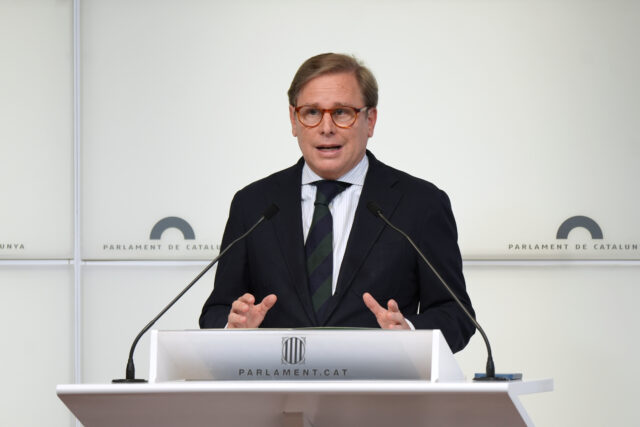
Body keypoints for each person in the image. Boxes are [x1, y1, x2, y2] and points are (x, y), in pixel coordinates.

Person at [199, 53, 475, 352]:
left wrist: (409, 332)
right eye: (311, 112)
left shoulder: (420, 203)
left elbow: (456, 315)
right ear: (294, 120)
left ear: (370, 120)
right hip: (279, 381)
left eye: (342, 112)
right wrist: (233, 328)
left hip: (378, 379)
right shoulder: (254, 204)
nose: (326, 127)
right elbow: (216, 310)